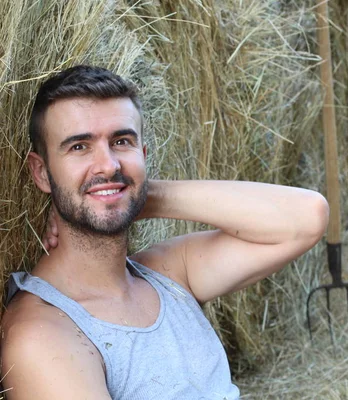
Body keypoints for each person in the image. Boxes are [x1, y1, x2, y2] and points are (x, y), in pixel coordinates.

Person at [0, 65, 329, 399]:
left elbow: (306, 218)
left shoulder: (168, 273)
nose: (109, 164)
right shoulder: (45, 334)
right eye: (79, 147)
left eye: (122, 141)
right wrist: (112, 191)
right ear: (41, 173)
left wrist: (137, 192)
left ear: (143, 156)